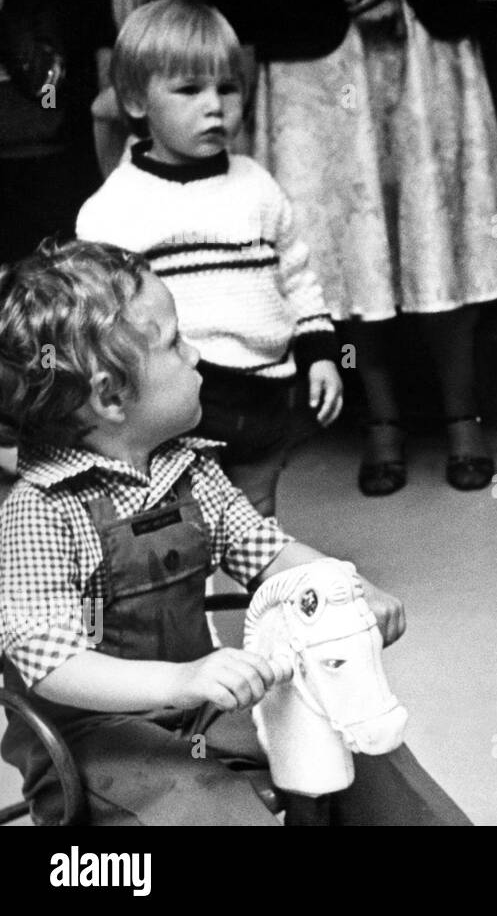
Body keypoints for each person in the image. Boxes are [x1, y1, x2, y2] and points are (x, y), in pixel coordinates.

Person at [0, 240, 471, 825]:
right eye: (175, 342)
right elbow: (52, 666)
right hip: (94, 745)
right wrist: (182, 679)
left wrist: (344, 587)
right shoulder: (41, 510)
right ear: (111, 395)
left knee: (343, 731)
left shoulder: (191, 471)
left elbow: (268, 552)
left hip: (200, 712)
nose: (196, 356)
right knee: (214, 805)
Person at [135, 0, 497, 495]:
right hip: (302, 19)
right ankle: (380, 420)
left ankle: (463, 416)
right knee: (343, 239)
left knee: (442, 223)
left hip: (425, 10)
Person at [78, 0, 344, 519]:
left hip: (268, 387)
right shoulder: (114, 209)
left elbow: (297, 275)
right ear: (135, 100)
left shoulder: (257, 184)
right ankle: (185, 597)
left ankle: (266, 598)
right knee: (183, 519)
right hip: (181, 399)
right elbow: (102, 322)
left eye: (227, 87)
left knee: (256, 512)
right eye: (189, 90)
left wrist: (323, 355)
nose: (215, 106)